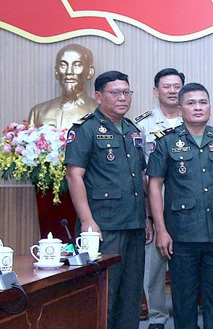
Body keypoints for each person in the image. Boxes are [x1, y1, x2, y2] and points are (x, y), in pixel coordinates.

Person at [147, 82, 213, 329]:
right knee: (183, 300)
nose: (198, 107)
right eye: (191, 103)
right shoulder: (166, 142)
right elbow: (154, 186)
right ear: (180, 108)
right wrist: (161, 229)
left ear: (211, 107)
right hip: (181, 235)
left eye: (203, 102)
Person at [64, 71, 148, 329]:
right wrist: (87, 220)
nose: (122, 98)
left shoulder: (133, 130)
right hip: (103, 227)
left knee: (131, 295)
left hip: (133, 224)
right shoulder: (85, 129)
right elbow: (74, 175)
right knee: (104, 295)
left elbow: (141, 178)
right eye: (115, 93)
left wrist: (147, 219)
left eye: (126, 92)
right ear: (99, 96)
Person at [135, 68, 185, 329]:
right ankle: (157, 317)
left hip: (188, 203)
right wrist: (148, 216)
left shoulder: (194, 120)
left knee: (185, 263)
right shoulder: (142, 125)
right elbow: (139, 173)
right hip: (154, 199)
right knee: (153, 265)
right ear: (156, 91)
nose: (172, 90)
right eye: (167, 86)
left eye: (177, 86)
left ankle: (184, 315)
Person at [28, 44, 98, 128]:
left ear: (90, 72)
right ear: (56, 72)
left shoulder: (101, 112)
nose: (69, 72)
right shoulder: (38, 112)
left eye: (77, 65)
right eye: (63, 65)